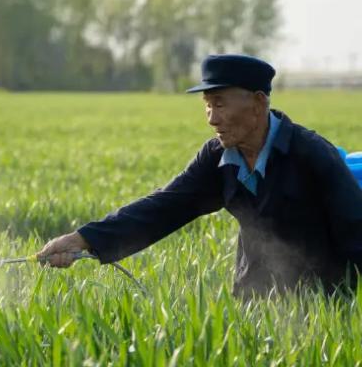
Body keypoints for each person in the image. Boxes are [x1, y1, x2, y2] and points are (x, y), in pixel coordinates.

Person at [37, 54, 362, 297]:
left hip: (323, 299)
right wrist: (83, 239)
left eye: (219, 105)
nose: (211, 118)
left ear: (258, 103)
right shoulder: (218, 158)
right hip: (256, 301)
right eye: (207, 106)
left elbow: (356, 235)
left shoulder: (311, 155)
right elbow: (164, 208)